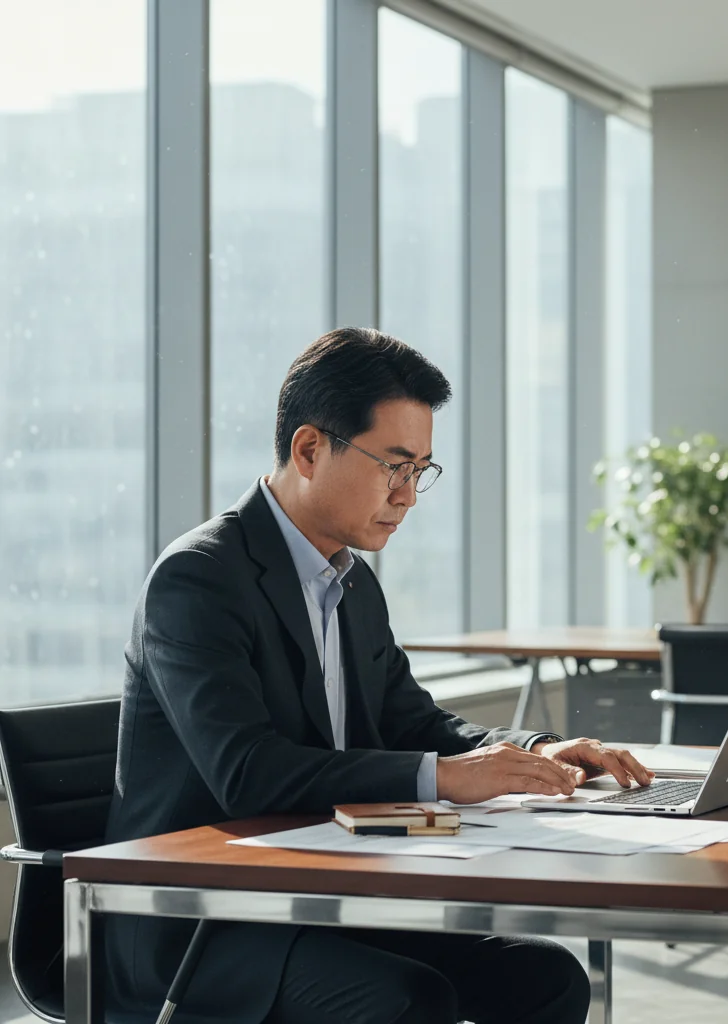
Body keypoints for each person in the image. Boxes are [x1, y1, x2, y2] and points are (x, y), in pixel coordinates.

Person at [105, 327, 654, 1024]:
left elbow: (416, 723)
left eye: (420, 469)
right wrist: (444, 777)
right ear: (309, 450)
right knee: (407, 1001)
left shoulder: (352, 582)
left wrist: (535, 753)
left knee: (547, 978)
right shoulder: (199, 580)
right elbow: (246, 773)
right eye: (393, 466)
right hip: (201, 922)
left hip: (320, 894)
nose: (409, 496)